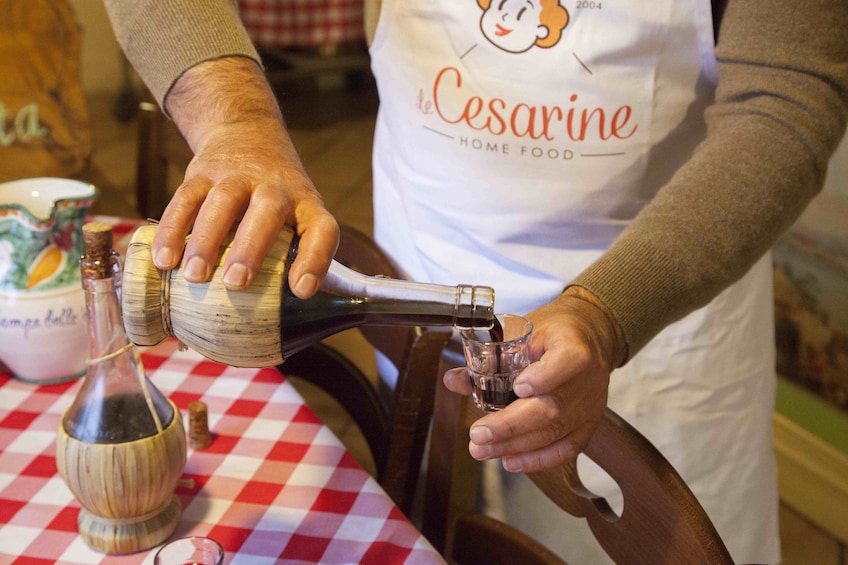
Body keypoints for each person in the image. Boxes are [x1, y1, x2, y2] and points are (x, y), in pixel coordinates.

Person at [104, 0, 848, 562]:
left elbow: (788, 100)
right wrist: (233, 120)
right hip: (425, 260)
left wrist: (605, 311)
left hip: (659, 321)